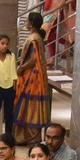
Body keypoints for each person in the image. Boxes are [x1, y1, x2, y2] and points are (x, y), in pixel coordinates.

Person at [14, 12, 51, 143]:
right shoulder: (35, 37)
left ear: (32, 23)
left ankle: (30, 137)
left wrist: (22, 67)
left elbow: (34, 59)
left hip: (32, 77)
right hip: (31, 75)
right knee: (27, 105)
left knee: (29, 106)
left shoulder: (34, 38)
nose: (26, 23)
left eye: (28, 21)